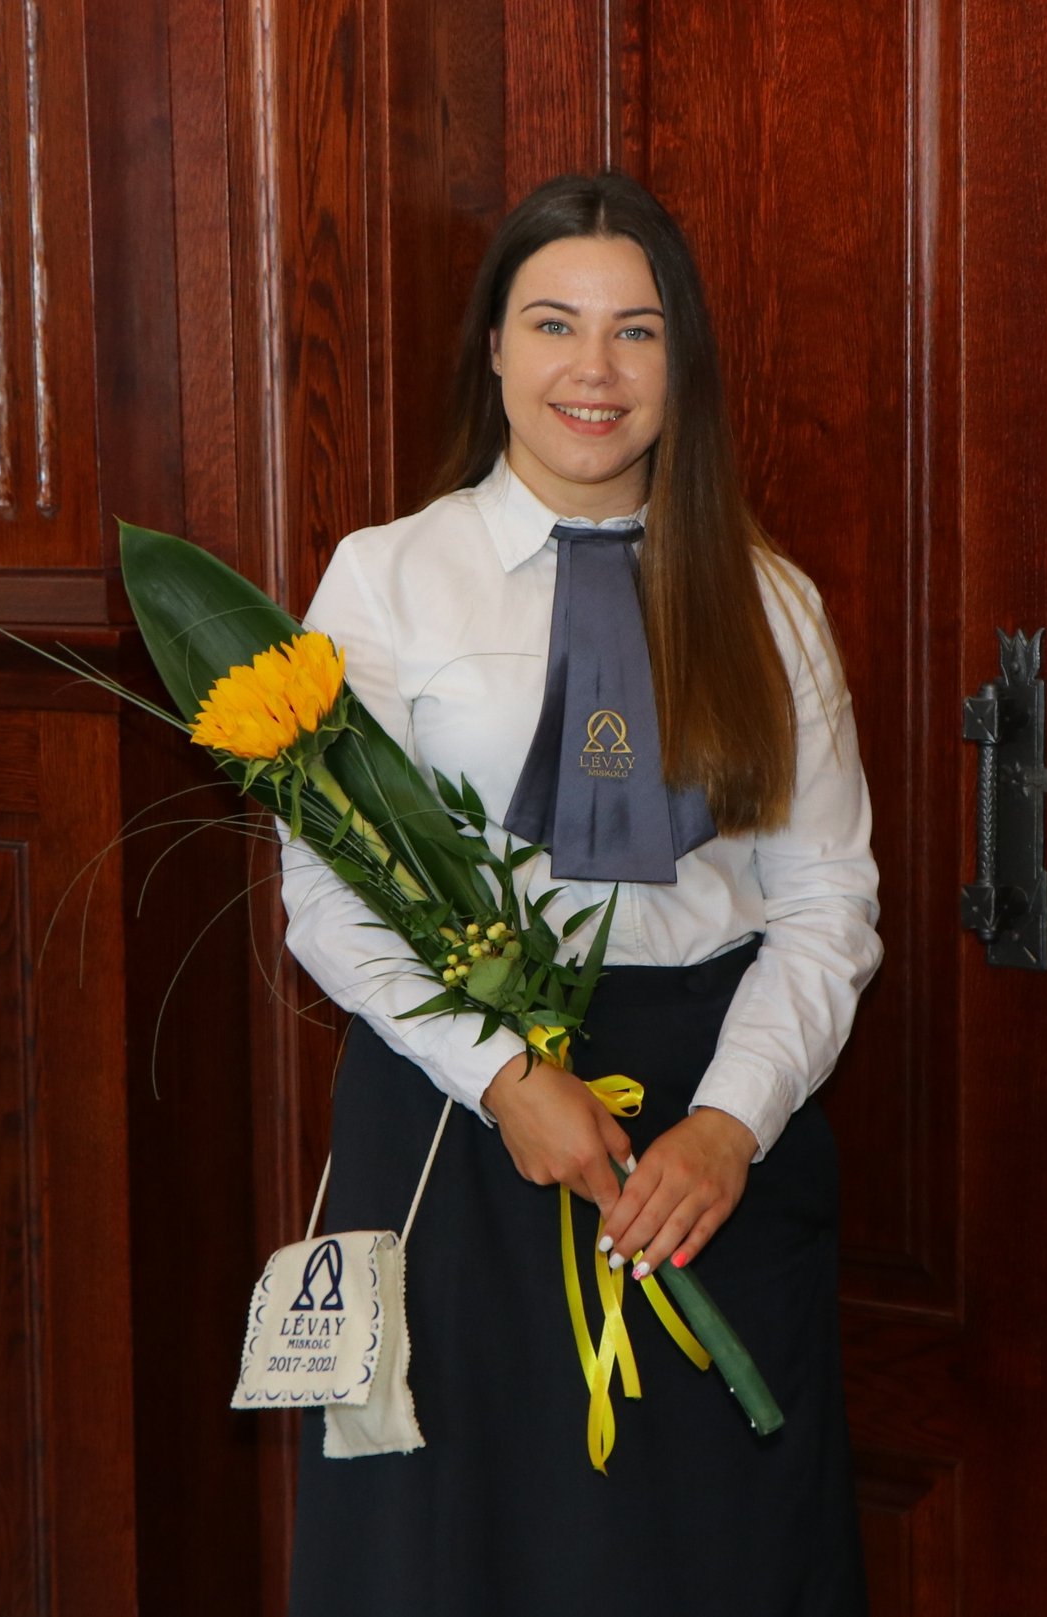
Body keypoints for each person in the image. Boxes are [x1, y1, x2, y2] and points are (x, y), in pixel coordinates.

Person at [278, 170, 880, 1616]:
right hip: (460, 1119)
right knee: (461, 1556)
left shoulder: (773, 601)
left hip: (703, 1135)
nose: (593, 370)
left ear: (683, 365)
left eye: (636, 331)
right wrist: (506, 1078)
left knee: (703, 1558)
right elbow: (330, 891)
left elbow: (825, 903)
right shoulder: (384, 579)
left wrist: (729, 1126)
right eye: (554, 324)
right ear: (494, 348)